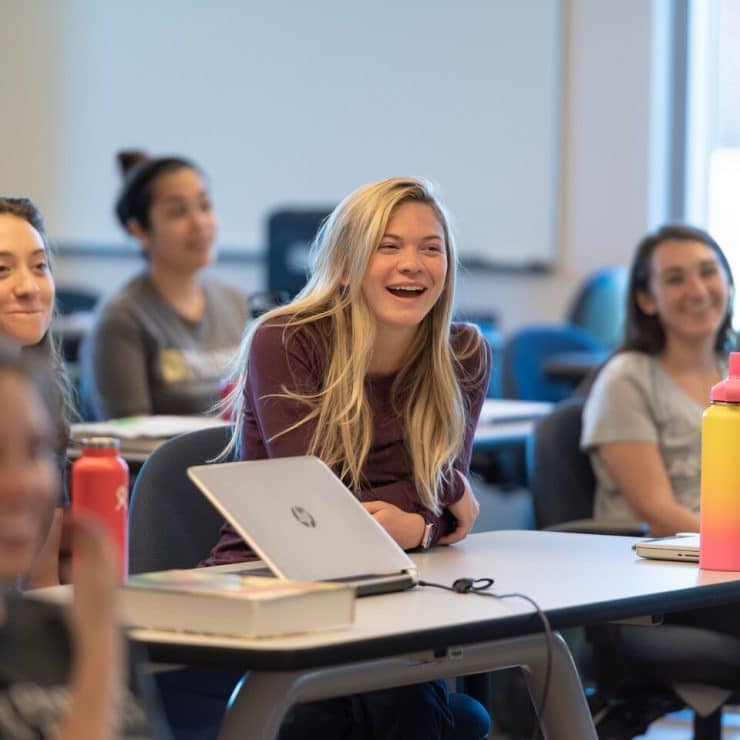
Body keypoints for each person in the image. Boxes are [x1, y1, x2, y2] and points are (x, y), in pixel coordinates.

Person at [201, 176, 492, 739]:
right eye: (389, 246)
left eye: (431, 248)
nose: (413, 264)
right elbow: (317, 508)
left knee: (393, 702)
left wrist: (425, 525)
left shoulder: (464, 353)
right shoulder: (286, 339)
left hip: (392, 591)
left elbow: (445, 494)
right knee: (359, 714)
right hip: (271, 584)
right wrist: (429, 512)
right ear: (345, 261)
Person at [0, 344, 167, 739]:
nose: (24, 483)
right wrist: (98, 653)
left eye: (35, 450)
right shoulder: (93, 634)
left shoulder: (66, 628)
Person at [581, 224, 735, 535]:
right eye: (676, 279)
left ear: (729, 284)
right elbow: (658, 513)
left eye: (707, 272)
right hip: (669, 564)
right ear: (646, 300)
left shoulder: (733, 368)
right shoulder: (625, 380)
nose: (698, 290)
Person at [79, 150, 248, 419]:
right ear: (140, 231)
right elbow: (130, 436)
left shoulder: (238, 303)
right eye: (178, 212)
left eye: (205, 206)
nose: (200, 223)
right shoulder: (121, 318)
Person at [0, 196, 76, 588]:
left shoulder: (43, 399)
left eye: (39, 266)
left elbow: (42, 583)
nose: (28, 288)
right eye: (1, 270)